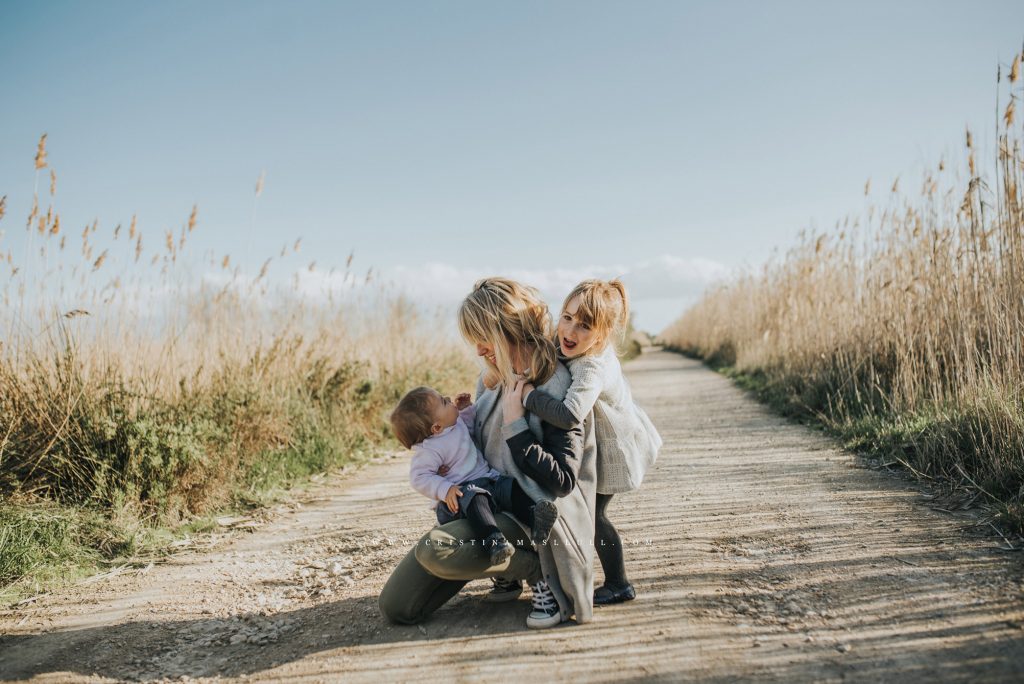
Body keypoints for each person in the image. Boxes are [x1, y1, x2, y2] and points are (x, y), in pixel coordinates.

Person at [378, 277, 597, 629]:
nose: (479, 351)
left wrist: (516, 425)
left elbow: (563, 482)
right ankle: (505, 570)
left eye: (484, 339)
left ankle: (533, 568)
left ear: (510, 330)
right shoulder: (489, 380)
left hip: (531, 514)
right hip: (486, 507)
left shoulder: (556, 386)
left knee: (439, 549)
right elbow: (473, 451)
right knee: (397, 607)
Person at [522, 279, 661, 605]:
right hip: (601, 442)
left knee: (595, 517)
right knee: (589, 514)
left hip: (617, 449)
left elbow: (570, 413)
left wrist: (528, 397)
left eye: (584, 325)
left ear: (602, 334)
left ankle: (619, 583)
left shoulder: (591, 367)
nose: (570, 330)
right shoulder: (573, 346)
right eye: (567, 317)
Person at [390, 385, 560, 567]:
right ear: (437, 427)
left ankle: (536, 518)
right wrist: (445, 489)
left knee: (510, 487)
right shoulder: (429, 450)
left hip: (487, 480)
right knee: (475, 497)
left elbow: (469, 430)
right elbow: (419, 478)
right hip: (460, 496)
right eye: (444, 402)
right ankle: (494, 540)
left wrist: (466, 409)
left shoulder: (455, 425)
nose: (448, 397)